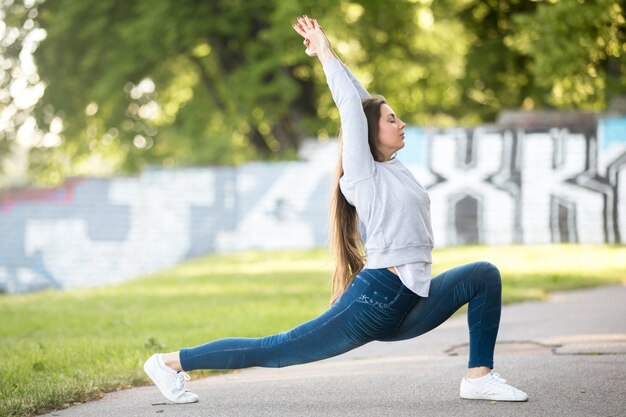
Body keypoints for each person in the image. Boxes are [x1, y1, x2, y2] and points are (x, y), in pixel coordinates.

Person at [143, 15, 529, 404]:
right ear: (368, 133)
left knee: (483, 276)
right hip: (376, 300)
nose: (402, 122)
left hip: (411, 297)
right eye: (392, 119)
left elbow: (360, 99)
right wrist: (324, 53)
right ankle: (169, 363)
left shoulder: (392, 168)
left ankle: (479, 377)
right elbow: (351, 106)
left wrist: (331, 58)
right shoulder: (363, 175)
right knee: (277, 349)